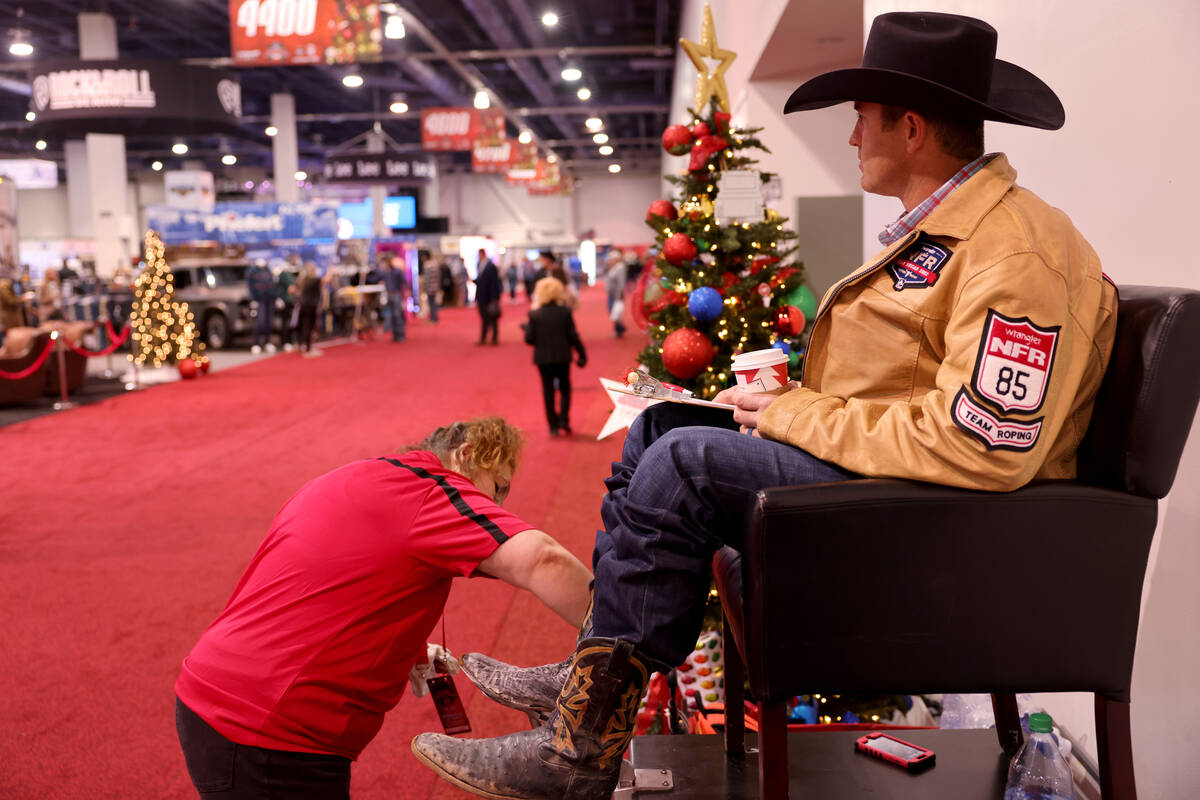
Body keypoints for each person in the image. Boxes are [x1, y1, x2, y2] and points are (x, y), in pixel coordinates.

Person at [411, 12, 1118, 800]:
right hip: (903, 496)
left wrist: (787, 416)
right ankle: (595, 676)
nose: (853, 138)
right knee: (662, 426)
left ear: (911, 128)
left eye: (862, 119)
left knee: (685, 460)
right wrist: (785, 399)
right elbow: (908, 385)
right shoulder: (955, 231)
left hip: (939, 527)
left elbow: (982, 443)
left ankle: (578, 749)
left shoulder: (1015, 251)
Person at [175, 417, 592, 799]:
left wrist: (407, 649)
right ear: (466, 456)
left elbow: (340, 575)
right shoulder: (433, 489)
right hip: (269, 729)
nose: (499, 504)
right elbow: (543, 559)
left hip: (220, 697)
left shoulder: (366, 474)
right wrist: (628, 636)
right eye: (498, 486)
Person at [523, 277, 587, 436]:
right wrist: (582, 353)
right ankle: (564, 419)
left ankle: (552, 425)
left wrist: (526, 329)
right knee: (565, 388)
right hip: (562, 356)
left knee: (548, 390)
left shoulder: (534, 314)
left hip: (543, 358)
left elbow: (529, 339)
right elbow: (573, 336)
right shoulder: (564, 312)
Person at [473, 248, 502, 346]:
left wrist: (494, 298)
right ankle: (483, 338)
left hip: (489, 297)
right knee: (484, 318)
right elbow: (481, 281)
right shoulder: (480, 265)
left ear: (482, 254)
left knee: (492, 318)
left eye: (479, 255)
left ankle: (494, 338)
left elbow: (494, 283)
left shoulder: (491, 266)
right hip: (482, 296)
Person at [246, 261, 276, 354]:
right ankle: (256, 343)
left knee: (269, 322)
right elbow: (250, 286)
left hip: (269, 299)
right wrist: (253, 299)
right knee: (260, 321)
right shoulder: (252, 271)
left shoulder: (268, 270)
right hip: (260, 300)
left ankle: (267, 342)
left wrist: (276, 296)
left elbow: (273, 285)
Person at [295, 263, 323, 357]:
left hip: (303, 306)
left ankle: (301, 345)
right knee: (309, 327)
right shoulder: (314, 280)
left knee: (303, 326)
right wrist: (331, 270)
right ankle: (307, 348)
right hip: (311, 307)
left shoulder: (302, 280)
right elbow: (326, 280)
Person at [383, 256, 408, 343]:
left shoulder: (397, 271)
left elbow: (404, 281)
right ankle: (395, 336)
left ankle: (401, 335)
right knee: (391, 316)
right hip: (389, 295)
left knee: (397, 315)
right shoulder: (385, 273)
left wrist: (408, 291)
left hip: (396, 294)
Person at [603, 250, 628, 338]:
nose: (610, 261)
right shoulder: (614, 268)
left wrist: (619, 294)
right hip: (612, 293)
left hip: (616, 294)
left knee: (615, 313)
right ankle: (619, 329)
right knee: (613, 312)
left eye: (611, 259)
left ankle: (620, 329)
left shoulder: (620, 268)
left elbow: (621, 282)